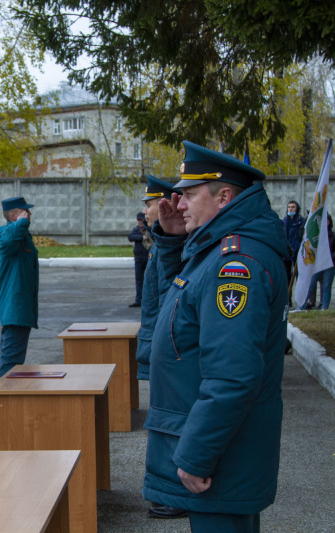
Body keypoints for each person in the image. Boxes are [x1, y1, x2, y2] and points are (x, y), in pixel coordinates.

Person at [144, 141, 289, 532]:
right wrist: (173, 240)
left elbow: (232, 376)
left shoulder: (235, 265)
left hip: (222, 458)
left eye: (190, 194)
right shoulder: (214, 249)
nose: (179, 203)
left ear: (224, 197)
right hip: (219, 449)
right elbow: (174, 313)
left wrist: (194, 456)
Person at [135, 175, 188, 520]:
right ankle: (169, 486)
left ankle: (178, 489)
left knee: (176, 418)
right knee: (164, 417)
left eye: (149, 202)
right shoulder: (162, 242)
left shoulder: (176, 243)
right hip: (159, 342)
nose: (145, 209)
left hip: (170, 345)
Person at [0, 196, 38, 377]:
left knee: (15, 363)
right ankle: (4, 404)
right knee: (10, 365)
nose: (29, 214)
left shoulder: (20, 235)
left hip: (22, 309)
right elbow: (6, 243)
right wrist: (21, 223)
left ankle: (11, 402)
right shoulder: (7, 236)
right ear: (13, 215)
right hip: (15, 309)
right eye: (25, 211)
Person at [300, 213, 334, 310]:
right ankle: (301, 305)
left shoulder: (333, 235)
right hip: (317, 264)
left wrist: (330, 256)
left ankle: (325, 306)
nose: (325, 223)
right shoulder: (316, 236)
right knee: (311, 284)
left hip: (329, 264)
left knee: (327, 285)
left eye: (327, 221)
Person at [283, 200, 306, 304]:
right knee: (286, 278)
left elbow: (300, 238)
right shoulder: (285, 221)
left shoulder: (301, 221)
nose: (290, 209)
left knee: (298, 277)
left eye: (293, 207)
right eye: (289, 207)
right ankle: (288, 300)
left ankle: (300, 301)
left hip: (297, 253)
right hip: (287, 253)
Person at [127, 212, 149, 307]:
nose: (140, 222)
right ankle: (138, 300)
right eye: (139, 220)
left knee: (149, 281)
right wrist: (142, 237)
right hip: (139, 259)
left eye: (141, 220)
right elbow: (131, 237)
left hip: (147, 258)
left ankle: (147, 300)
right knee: (139, 281)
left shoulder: (149, 229)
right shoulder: (136, 230)